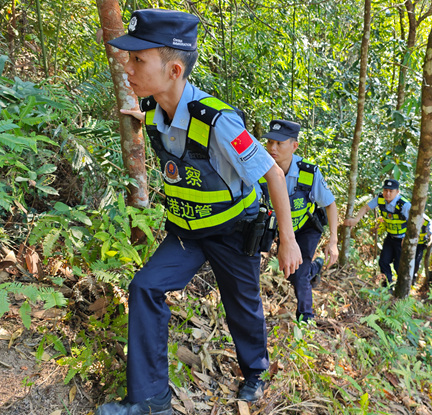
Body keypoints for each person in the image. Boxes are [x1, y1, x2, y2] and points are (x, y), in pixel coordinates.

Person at [95, 9, 302, 415]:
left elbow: (274, 176)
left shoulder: (220, 122)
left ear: (173, 69)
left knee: (241, 306)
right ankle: (151, 402)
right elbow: (167, 127)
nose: (128, 66)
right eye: (129, 58)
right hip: (186, 233)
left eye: (138, 60)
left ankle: (256, 372)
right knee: (145, 288)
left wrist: (288, 241)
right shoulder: (154, 109)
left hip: (232, 231)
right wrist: (138, 117)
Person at [259, 120, 338, 321]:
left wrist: (333, 242)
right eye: (269, 143)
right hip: (279, 229)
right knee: (291, 271)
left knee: (299, 274)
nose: (272, 148)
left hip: (305, 228)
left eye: (279, 143)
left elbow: (330, 204)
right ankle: (315, 267)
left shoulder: (309, 173)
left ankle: (306, 319)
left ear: (294, 146)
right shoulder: (260, 170)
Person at [344, 179, 411, 287]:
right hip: (390, 237)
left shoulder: (404, 205)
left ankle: (402, 290)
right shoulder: (380, 199)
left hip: (403, 240)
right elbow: (366, 207)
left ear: (397, 192)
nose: (387, 193)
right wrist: (356, 220)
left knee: (399, 266)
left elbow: (418, 222)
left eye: (391, 191)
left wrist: (407, 238)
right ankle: (388, 287)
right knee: (383, 261)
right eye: (385, 190)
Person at [412, 213, 432, 285]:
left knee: (417, 261)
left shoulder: (427, 221)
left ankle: (413, 278)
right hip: (410, 244)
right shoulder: (410, 218)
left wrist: (430, 243)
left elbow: (431, 234)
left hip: (420, 245)